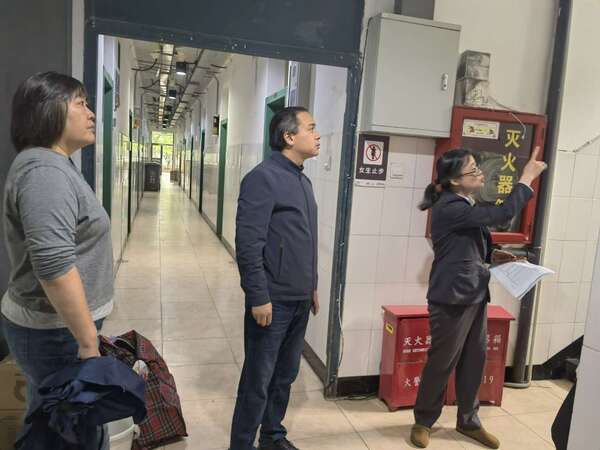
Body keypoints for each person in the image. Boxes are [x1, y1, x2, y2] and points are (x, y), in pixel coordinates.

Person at [1, 72, 114, 449]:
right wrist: (88, 342)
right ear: (46, 109)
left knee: (56, 427)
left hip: (57, 328)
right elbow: (54, 267)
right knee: (70, 433)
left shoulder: (53, 164)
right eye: (80, 103)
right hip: (55, 332)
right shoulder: (44, 172)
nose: (92, 113)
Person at [410, 147, 547, 449]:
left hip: (474, 293)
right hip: (451, 298)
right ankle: (423, 421)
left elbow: (465, 246)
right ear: (455, 181)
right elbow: (503, 214)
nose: (480, 173)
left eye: (477, 167)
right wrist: (526, 178)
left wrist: (494, 256)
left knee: (474, 360)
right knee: (442, 361)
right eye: (473, 170)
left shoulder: (465, 203)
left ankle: (468, 421)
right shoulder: (450, 206)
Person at [230, 107, 321, 450]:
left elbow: (305, 240)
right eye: (311, 128)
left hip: (299, 297)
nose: (317, 135)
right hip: (273, 301)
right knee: (258, 379)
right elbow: (248, 244)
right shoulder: (263, 178)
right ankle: (241, 444)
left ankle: (272, 436)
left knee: (285, 376)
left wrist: (311, 285)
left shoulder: (302, 180)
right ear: (288, 136)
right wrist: (258, 296)